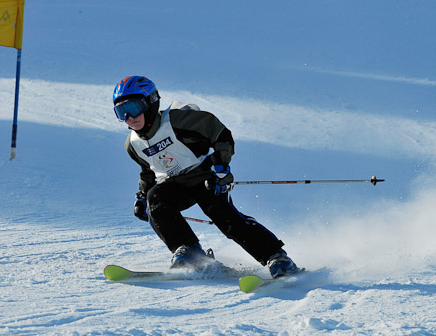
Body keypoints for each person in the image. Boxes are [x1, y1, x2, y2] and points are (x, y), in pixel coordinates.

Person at [113, 75, 299, 278]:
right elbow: (148, 170)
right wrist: (142, 195)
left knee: (224, 217)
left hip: (205, 177)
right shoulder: (132, 144)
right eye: (121, 112)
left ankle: (276, 257)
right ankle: (190, 252)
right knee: (156, 199)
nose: (129, 118)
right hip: (174, 184)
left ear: (150, 102)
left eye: (133, 108)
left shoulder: (177, 120)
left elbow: (220, 135)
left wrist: (221, 165)